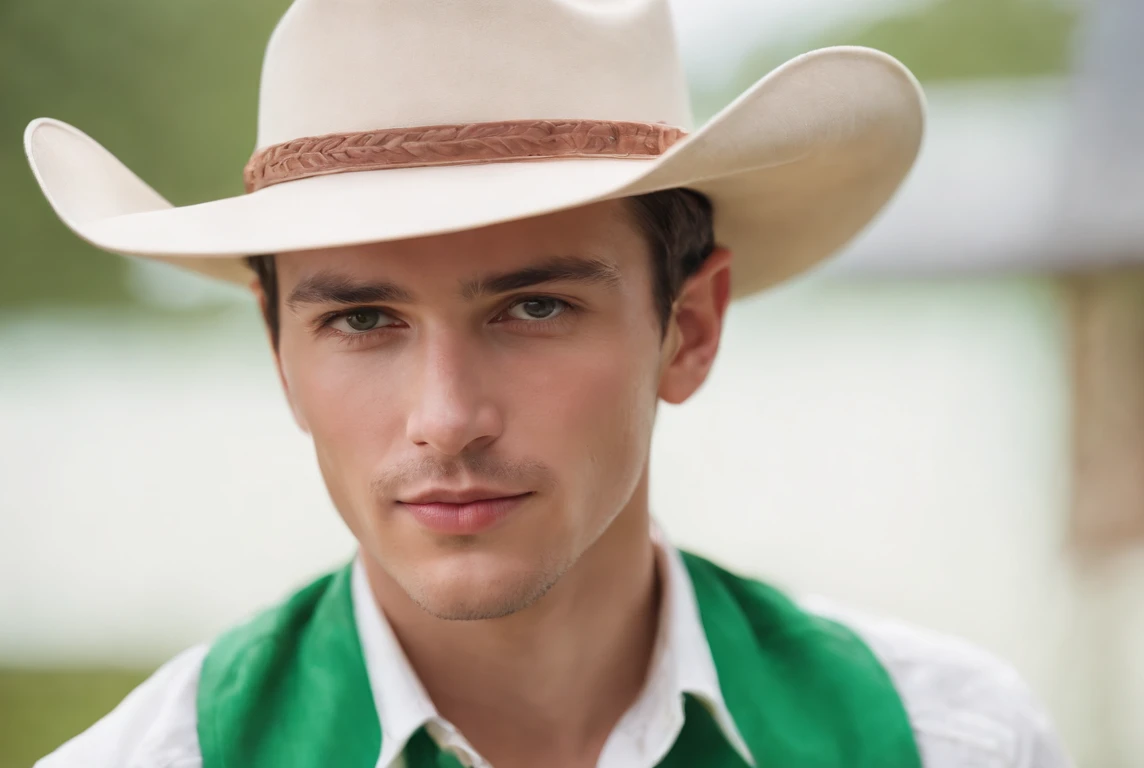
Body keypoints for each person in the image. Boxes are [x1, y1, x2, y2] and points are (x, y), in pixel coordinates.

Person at [24, 1, 1070, 766]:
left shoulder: (951, 741)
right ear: (277, 353)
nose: (444, 419)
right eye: (361, 320)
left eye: (533, 309)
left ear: (689, 329)